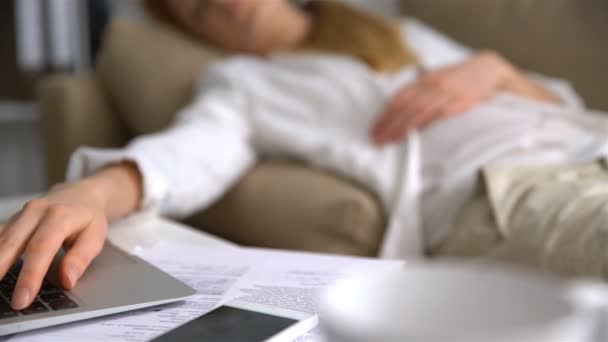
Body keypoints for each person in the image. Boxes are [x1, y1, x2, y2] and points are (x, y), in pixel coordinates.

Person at [1, 0, 605, 311]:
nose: (221, 1)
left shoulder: (387, 31)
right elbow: (186, 156)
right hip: (512, 192)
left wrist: (491, 70)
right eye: (198, 7)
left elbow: (567, 101)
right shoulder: (242, 84)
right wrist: (91, 192)